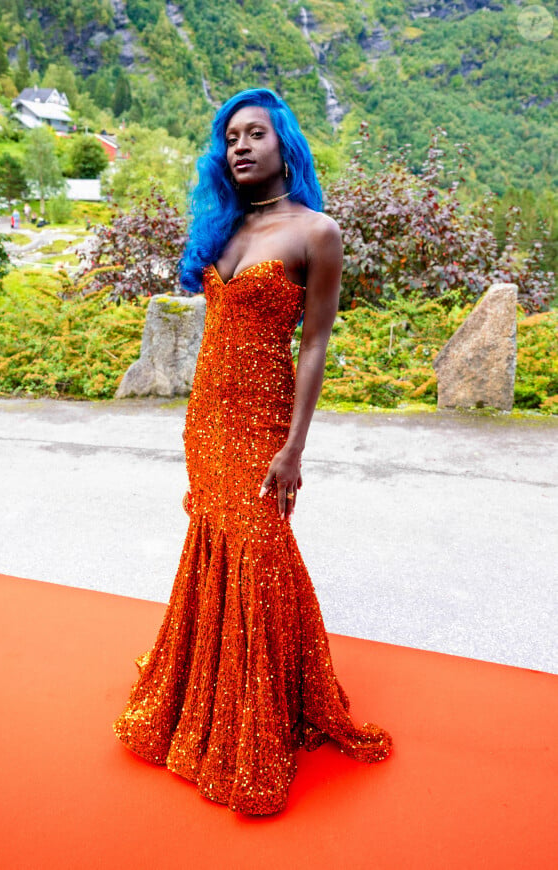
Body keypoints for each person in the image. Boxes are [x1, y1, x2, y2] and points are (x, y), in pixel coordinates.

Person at [113, 88, 392, 815]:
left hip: (265, 422)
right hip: (206, 419)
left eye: (254, 134)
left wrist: (296, 446)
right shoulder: (222, 231)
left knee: (260, 552)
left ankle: (267, 705)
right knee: (219, 545)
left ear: (284, 145)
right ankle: (208, 689)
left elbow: (315, 344)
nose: (239, 146)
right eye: (229, 136)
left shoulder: (317, 233)